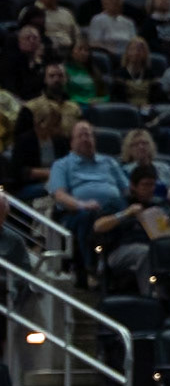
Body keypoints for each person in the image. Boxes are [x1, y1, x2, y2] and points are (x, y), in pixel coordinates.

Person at [48, 119, 128, 286]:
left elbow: (126, 190)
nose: (86, 139)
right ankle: (89, 268)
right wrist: (81, 204)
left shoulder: (109, 162)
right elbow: (60, 195)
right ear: (72, 142)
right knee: (86, 216)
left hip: (112, 209)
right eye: (81, 135)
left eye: (89, 135)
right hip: (79, 213)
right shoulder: (62, 165)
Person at [93, 163, 170, 295]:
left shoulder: (159, 205)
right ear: (133, 186)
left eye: (153, 185)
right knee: (145, 252)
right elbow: (98, 226)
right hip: (120, 250)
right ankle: (151, 298)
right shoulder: (118, 203)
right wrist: (125, 214)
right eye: (145, 185)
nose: (150, 189)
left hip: (155, 246)